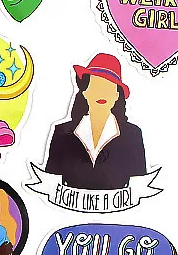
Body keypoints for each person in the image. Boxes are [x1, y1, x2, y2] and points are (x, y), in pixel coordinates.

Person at [43, 54, 147, 191]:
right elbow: (51, 181)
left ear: (117, 95)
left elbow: (138, 184)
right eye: (96, 86)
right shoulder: (62, 133)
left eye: (108, 88)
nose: (101, 94)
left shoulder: (132, 135)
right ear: (85, 92)